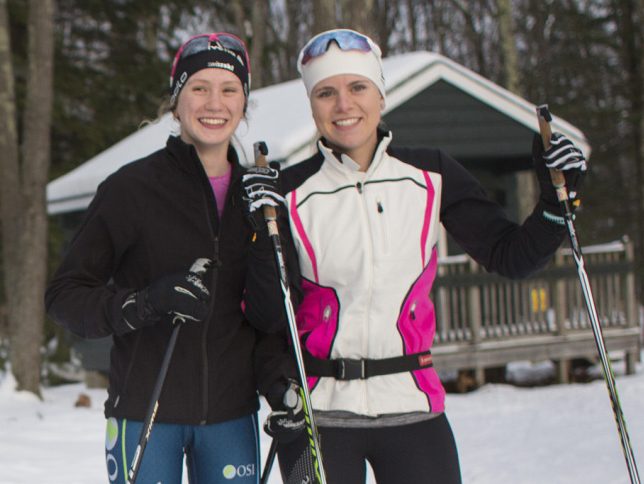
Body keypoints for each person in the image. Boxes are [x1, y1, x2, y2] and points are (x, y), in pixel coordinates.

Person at [272, 29, 588, 484]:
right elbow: (264, 306)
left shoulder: (430, 173)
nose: (344, 105)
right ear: (312, 104)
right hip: (319, 416)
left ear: (380, 95)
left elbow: (512, 257)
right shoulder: (287, 191)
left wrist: (556, 207)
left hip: (413, 407)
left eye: (357, 87)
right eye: (326, 92)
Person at [45, 32, 300, 484]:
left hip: (230, 417)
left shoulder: (259, 198)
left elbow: (272, 316)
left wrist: (280, 385)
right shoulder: (130, 190)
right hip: (145, 413)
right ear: (176, 100)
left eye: (228, 89)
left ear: (244, 103)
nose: (213, 103)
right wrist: (144, 303)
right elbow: (66, 296)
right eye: (198, 88)